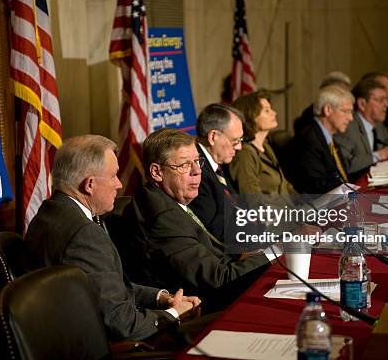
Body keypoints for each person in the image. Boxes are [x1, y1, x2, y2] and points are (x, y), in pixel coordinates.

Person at [25, 135, 200, 341]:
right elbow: (123, 324)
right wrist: (175, 314)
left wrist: (161, 297)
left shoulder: (47, 213)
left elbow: (104, 285)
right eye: (114, 176)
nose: (119, 184)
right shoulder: (84, 234)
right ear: (89, 184)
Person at [119, 129, 278, 310]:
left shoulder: (163, 198)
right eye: (185, 165)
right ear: (156, 172)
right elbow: (220, 280)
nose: (197, 171)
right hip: (203, 309)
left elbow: (211, 253)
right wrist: (277, 252)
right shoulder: (163, 219)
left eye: (197, 161)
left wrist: (245, 255)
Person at [335, 78, 388, 175]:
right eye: (380, 100)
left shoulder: (377, 125)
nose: (386, 104)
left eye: (386, 99)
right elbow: (345, 165)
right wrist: (380, 155)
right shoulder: (347, 127)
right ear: (362, 104)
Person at [188, 104, 244, 244]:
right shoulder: (195, 170)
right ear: (213, 136)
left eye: (240, 140)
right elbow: (216, 230)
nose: (239, 147)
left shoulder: (216, 162)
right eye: (235, 141)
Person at [288, 85, 355, 194]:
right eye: (345, 111)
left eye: (351, 112)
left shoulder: (329, 137)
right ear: (327, 110)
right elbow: (318, 187)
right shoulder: (307, 140)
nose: (351, 118)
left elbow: (342, 177)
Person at [229, 91, 295, 195]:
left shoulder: (266, 146)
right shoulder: (245, 155)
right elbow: (253, 202)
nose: (274, 113)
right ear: (251, 117)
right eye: (267, 111)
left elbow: (285, 186)